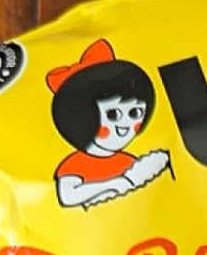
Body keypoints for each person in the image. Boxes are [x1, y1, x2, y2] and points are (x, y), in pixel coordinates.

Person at [47, 39, 170, 209]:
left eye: (135, 113)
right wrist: (117, 184)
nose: (126, 124)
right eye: (113, 114)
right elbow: (68, 196)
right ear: (83, 120)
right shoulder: (75, 164)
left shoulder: (128, 160)